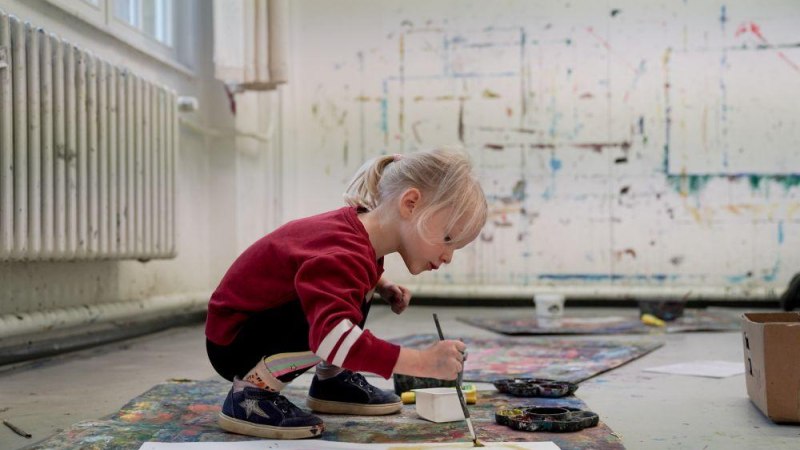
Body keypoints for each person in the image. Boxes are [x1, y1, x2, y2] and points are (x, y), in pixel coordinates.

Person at [205, 147, 488, 439]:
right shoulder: (345, 252)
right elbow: (331, 335)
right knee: (332, 329)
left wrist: (382, 286)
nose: (449, 256)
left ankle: (332, 382)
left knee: (349, 295)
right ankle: (251, 395)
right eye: (447, 238)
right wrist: (423, 361)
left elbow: (329, 270)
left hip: (252, 321)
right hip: (233, 340)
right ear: (411, 203)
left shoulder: (361, 235)